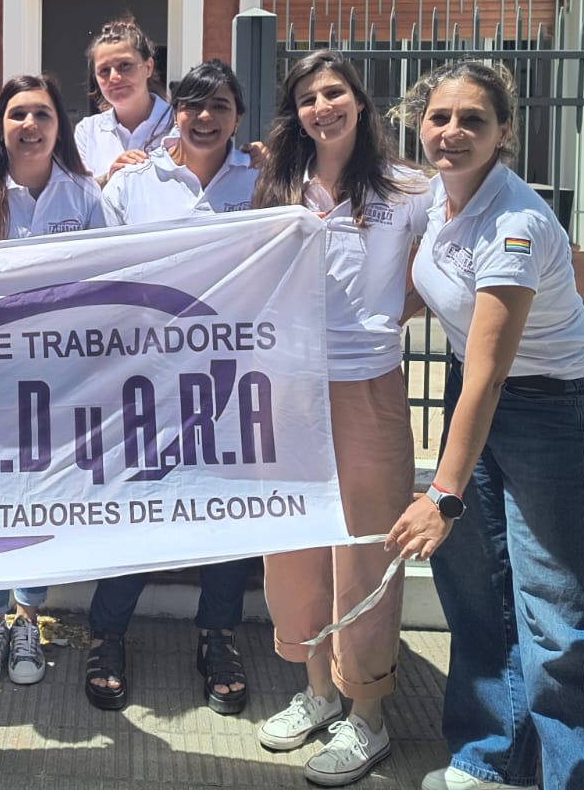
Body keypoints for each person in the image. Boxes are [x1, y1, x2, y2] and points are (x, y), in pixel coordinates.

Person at [385, 60, 584, 790]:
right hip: (480, 398)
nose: (452, 132)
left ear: (504, 131)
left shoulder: (517, 222)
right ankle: (492, 756)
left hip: (549, 410)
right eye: (439, 117)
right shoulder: (435, 197)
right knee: (476, 590)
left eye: (473, 119)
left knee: (563, 614)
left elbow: (493, 369)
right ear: (419, 123)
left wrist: (441, 493)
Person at [250, 51, 431, 787]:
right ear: (295, 112)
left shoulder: (407, 188)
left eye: (334, 93)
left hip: (366, 389)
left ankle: (368, 715)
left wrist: (379, 320)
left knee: (361, 551)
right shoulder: (277, 186)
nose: (322, 106)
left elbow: (433, 273)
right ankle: (319, 691)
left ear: (360, 101)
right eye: (307, 98)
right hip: (288, 390)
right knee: (292, 544)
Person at [87, 58, 257, 714]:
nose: (204, 117)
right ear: (174, 113)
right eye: (191, 105)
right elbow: (97, 274)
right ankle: (106, 634)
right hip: (148, 380)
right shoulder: (136, 184)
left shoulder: (266, 181)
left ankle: (218, 634)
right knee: (141, 504)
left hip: (236, 378)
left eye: (218, 105)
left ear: (237, 115)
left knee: (224, 513)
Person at [0, 73, 105, 691]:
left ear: (60, 127)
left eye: (42, 115)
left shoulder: (83, 193)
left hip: (56, 383)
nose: (29, 125)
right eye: (18, 114)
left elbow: (108, 277)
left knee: (38, 496)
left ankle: (28, 615)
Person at [74, 17, 175, 184]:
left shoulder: (177, 124)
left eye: (125, 65)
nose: (114, 77)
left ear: (148, 67)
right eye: (104, 71)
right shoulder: (88, 131)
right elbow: (75, 197)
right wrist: (109, 178)